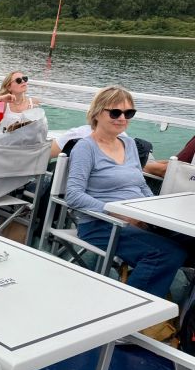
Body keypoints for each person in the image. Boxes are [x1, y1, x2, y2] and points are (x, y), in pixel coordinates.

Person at [66, 86, 188, 298]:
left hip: (140, 218)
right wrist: (117, 212)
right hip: (101, 223)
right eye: (115, 112)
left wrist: (153, 211)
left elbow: (141, 185)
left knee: (190, 242)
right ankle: (131, 307)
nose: (122, 118)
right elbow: (73, 195)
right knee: (164, 254)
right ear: (97, 113)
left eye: (128, 113)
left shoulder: (129, 143)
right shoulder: (85, 148)